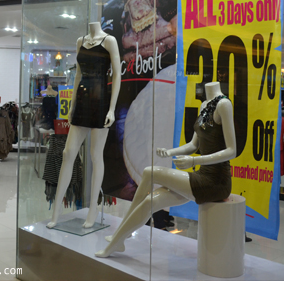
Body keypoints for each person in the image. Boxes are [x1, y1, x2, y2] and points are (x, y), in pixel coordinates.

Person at [96, 82, 236, 257]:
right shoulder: (204, 105)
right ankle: (119, 239)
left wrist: (194, 160)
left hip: (216, 182)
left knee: (150, 172)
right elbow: (193, 145)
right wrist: (170, 152)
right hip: (202, 175)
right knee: (150, 201)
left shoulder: (224, 105)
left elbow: (232, 151)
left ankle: (117, 238)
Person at [47, 22, 121, 229]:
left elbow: (117, 74)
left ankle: (93, 209)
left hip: (101, 99)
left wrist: (112, 109)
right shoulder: (81, 41)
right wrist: (72, 106)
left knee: (95, 155)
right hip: (82, 100)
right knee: (68, 153)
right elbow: (78, 75)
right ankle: (56, 212)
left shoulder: (109, 41)